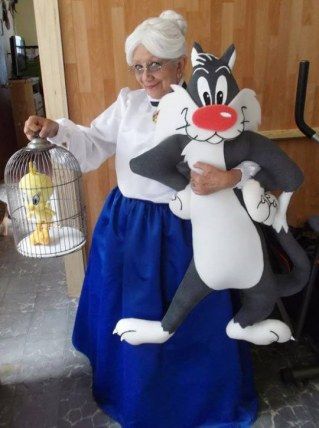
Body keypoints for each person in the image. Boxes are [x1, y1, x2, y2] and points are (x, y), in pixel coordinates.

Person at [24, 10, 259, 428]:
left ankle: (195, 400)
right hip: (128, 225)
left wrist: (228, 177)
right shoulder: (128, 104)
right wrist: (56, 128)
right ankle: (133, 392)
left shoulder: (207, 108)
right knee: (131, 309)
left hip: (187, 228)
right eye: (138, 66)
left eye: (155, 65)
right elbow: (93, 143)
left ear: (180, 65)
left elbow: (251, 157)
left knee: (189, 317)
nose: (146, 76)